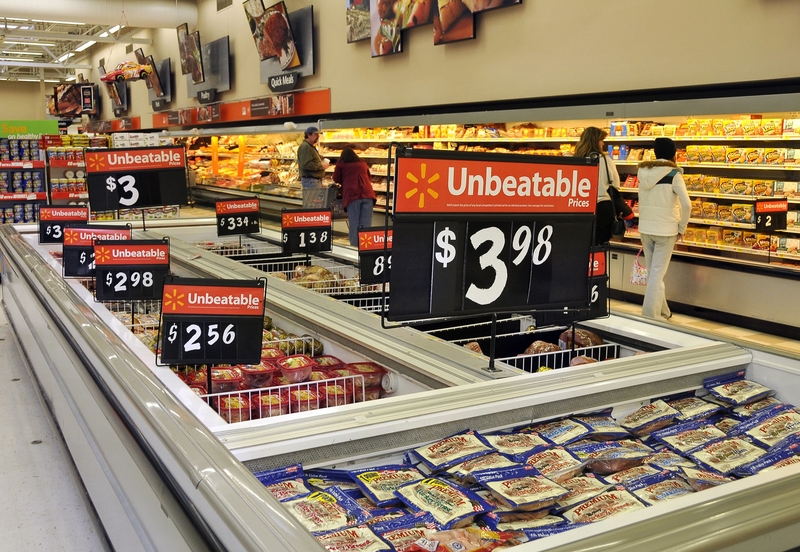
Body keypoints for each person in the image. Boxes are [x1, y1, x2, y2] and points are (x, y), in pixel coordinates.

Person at [636, 137, 692, 321]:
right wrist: (681, 228)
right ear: (673, 154)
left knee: (654, 271)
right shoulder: (674, 174)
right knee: (657, 273)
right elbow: (687, 204)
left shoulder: (642, 172)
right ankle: (650, 315)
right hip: (665, 230)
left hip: (646, 228)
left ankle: (663, 311)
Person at [574, 127, 631, 245]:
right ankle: (596, 263)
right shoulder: (605, 160)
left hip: (579, 206)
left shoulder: (574, 160)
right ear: (596, 141)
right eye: (601, 140)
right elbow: (615, 185)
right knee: (600, 244)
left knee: (581, 243)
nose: (603, 143)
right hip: (602, 207)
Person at [332, 147, 377, 246]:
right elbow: (369, 177)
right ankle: (366, 247)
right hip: (368, 194)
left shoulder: (341, 164)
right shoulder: (362, 163)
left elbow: (336, 178)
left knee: (354, 224)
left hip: (352, 195)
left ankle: (355, 249)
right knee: (366, 224)